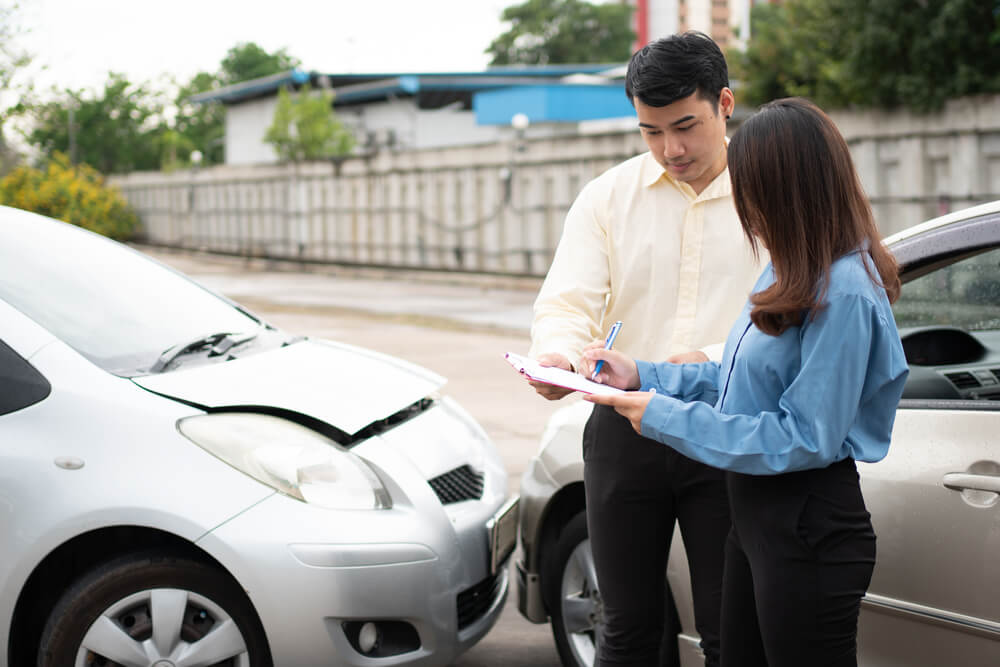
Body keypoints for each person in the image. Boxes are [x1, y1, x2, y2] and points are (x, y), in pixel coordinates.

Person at [582, 97, 909, 667]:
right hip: (754, 519)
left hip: (807, 528)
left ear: (790, 193)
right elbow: (738, 382)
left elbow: (803, 437)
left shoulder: (846, 292)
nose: (743, 207)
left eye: (752, 191)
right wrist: (644, 374)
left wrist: (659, 414)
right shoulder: (790, 268)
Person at [528, 32, 764, 667]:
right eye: (651, 132)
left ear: (725, 103)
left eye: (685, 126)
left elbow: (792, 311)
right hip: (624, 427)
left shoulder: (770, 194)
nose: (671, 149)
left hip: (729, 428)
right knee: (626, 627)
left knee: (730, 632)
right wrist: (557, 355)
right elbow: (567, 303)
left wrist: (710, 359)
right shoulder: (608, 197)